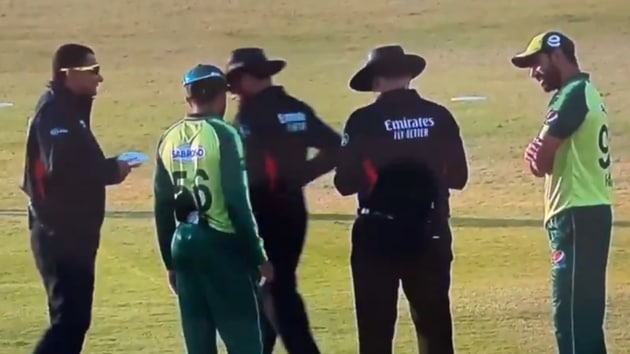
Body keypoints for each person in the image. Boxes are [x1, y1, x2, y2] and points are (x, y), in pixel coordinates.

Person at [334, 45, 469, 354]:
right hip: (429, 230)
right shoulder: (439, 116)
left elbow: (344, 183)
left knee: (375, 332)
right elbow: (459, 177)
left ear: (375, 81)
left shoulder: (362, 121)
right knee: (434, 328)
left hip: (377, 234)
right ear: (409, 75)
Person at [225, 47, 340, 354]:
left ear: (248, 78)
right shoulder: (296, 109)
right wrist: (301, 176)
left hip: (261, 212)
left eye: (235, 84)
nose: (233, 92)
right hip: (292, 210)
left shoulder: (249, 117)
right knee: (274, 284)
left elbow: (243, 171)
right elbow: (336, 147)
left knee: (275, 288)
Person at [152, 63, 273, 354]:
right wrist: (258, 256)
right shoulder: (224, 134)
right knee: (245, 344)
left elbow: (162, 206)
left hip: (183, 244)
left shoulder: (168, 138)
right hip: (221, 247)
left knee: (199, 345)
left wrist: (170, 260)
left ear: (188, 97)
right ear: (220, 96)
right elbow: (236, 202)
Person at [21, 43, 133, 354]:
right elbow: (66, 168)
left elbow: (73, 162)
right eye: (92, 71)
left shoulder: (68, 109)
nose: (99, 78)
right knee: (69, 323)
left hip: (71, 233)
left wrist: (108, 167)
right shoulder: (55, 111)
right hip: (60, 233)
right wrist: (111, 170)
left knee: (72, 321)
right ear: (68, 72)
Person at [512, 31, 614, 354]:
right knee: (584, 316)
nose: (533, 73)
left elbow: (541, 161)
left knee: (571, 318)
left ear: (556, 56)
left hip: (576, 215)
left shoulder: (571, 95)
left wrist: (536, 156)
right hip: (588, 212)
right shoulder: (588, 92)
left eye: (536, 63)